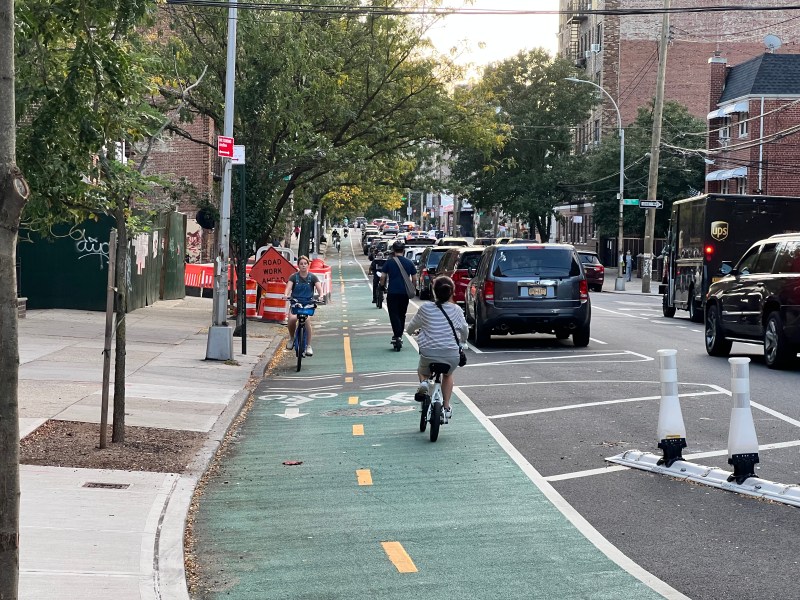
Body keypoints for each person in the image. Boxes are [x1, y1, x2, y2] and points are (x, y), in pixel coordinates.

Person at [405, 276, 468, 420]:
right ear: (452, 292)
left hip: (429, 353)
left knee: (422, 370)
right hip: (451, 354)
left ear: (434, 291)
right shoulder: (457, 310)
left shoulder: (425, 308)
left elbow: (411, 327)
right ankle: (446, 407)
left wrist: (410, 332)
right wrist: (462, 342)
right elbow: (465, 331)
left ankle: (424, 382)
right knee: (448, 375)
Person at [284, 256, 324, 356]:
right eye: (301, 264)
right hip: (296, 303)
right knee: (292, 319)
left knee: (307, 321)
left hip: (308, 304)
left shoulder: (313, 277)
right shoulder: (293, 277)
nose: (303, 266)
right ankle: (292, 338)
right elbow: (288, 288)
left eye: (305, 264)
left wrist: (321, 296)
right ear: (298, 265)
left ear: (308, 265)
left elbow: (319, 288)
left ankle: (309, 346)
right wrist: (285, 295)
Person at [379, 239, 417, 347]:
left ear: (393, 250)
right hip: (404, 293)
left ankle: (397, 335)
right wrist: (413, 288)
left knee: (393, 314)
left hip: (392, 293)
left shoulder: (389, 262)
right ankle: (399, 335)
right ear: (403, 250)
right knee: (402, 314)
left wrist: (382, 287)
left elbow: (382, 277)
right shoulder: (409, 263)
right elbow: (414, 278)